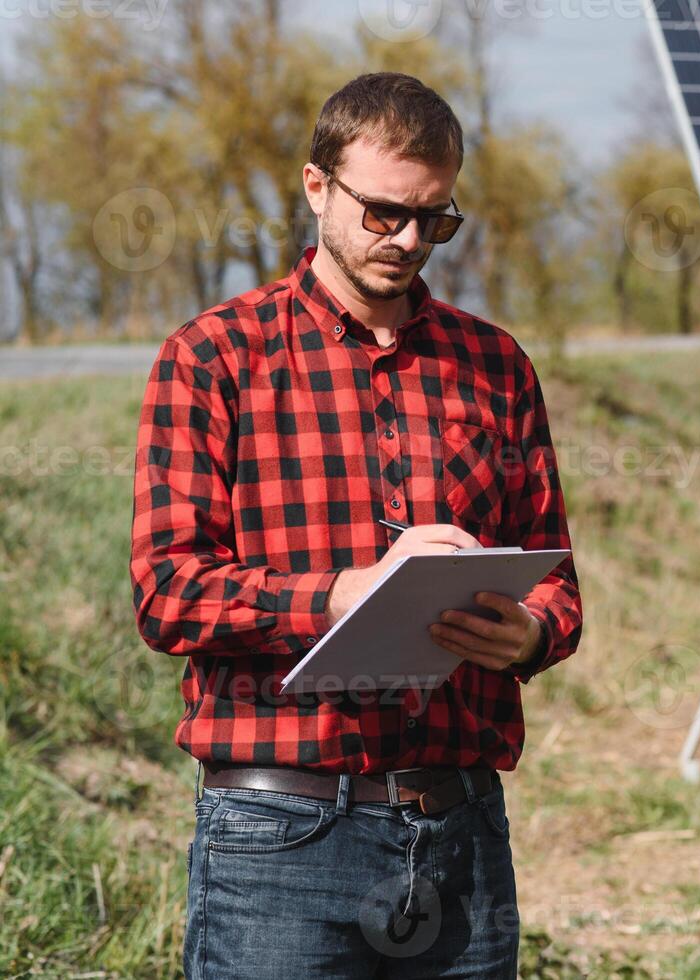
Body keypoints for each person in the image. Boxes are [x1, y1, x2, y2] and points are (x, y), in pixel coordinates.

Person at [128, 71, 581, 978]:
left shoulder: (494, 365)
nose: (409, 240)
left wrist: (529, 632)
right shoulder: (216, 356)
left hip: (459, 834)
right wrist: (344, 594)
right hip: (278, 836)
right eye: (382, 213)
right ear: (316, 186)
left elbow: (557, 581)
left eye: (435, 219)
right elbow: (167, 593)